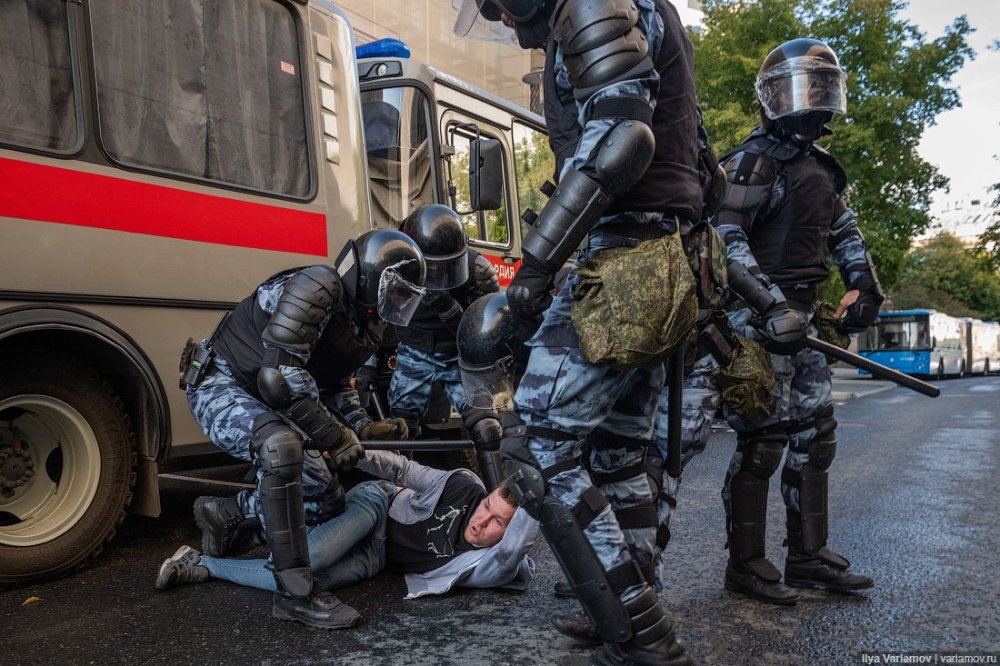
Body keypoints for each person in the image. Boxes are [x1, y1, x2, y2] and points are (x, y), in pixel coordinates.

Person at [454, 1, 705, 663]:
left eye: (501, 6)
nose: (505, 20)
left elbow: (623, 140)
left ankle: (644, 635)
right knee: (619, 455)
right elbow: (698, 160)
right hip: (659, 258)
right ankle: (623, 602)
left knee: (537, 451)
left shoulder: (593, 2)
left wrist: (537, 262)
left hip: (624, 259)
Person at [707, 38, 884, 604]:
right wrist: (767, 304)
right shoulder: (751, 161)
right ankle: (748, 565)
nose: (812, 100)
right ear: (772, 97)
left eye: (821, 86)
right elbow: (725, 240)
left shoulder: (822, 171)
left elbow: (844, 233)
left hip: (804, 321)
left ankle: (807, 558)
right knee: (764, 439)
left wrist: (864, 283)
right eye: (802, 87)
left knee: (816, 437)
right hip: (754, 321)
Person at [177, 228, 426, 629]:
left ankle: (227, 514)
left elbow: (333, 384)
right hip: (221, 385)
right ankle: (295, 594)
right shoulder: (316, 286)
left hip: (273, 400)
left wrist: (363, 426)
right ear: (369, 279)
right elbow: (277, 379)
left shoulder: (367, 323)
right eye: (396, 292)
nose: (398, 305)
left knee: (324, 502)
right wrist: (335, 437)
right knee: (281, 447)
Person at [155, 450, 538, 608]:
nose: (481, 521)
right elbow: (403, 470)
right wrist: (352, 453)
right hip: (378, 506)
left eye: (497, 523)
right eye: (488, 507)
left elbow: (514, 549)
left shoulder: (494, 563)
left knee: (299, 581)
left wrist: (541, 497)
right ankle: (258, 524)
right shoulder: (462, 486)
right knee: (314, 554)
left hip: (379, 556)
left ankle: (200, 563)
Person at [388, 204, 500, 439]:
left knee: (485, 426)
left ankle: (495, 473)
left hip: (458, 357)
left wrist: (447, 307)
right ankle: (401, 475)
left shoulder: (477, 271)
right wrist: (367, 371)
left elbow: (484, 332)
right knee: (400, 427)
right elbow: (378, 317)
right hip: (413, 351)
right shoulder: (396, 265)